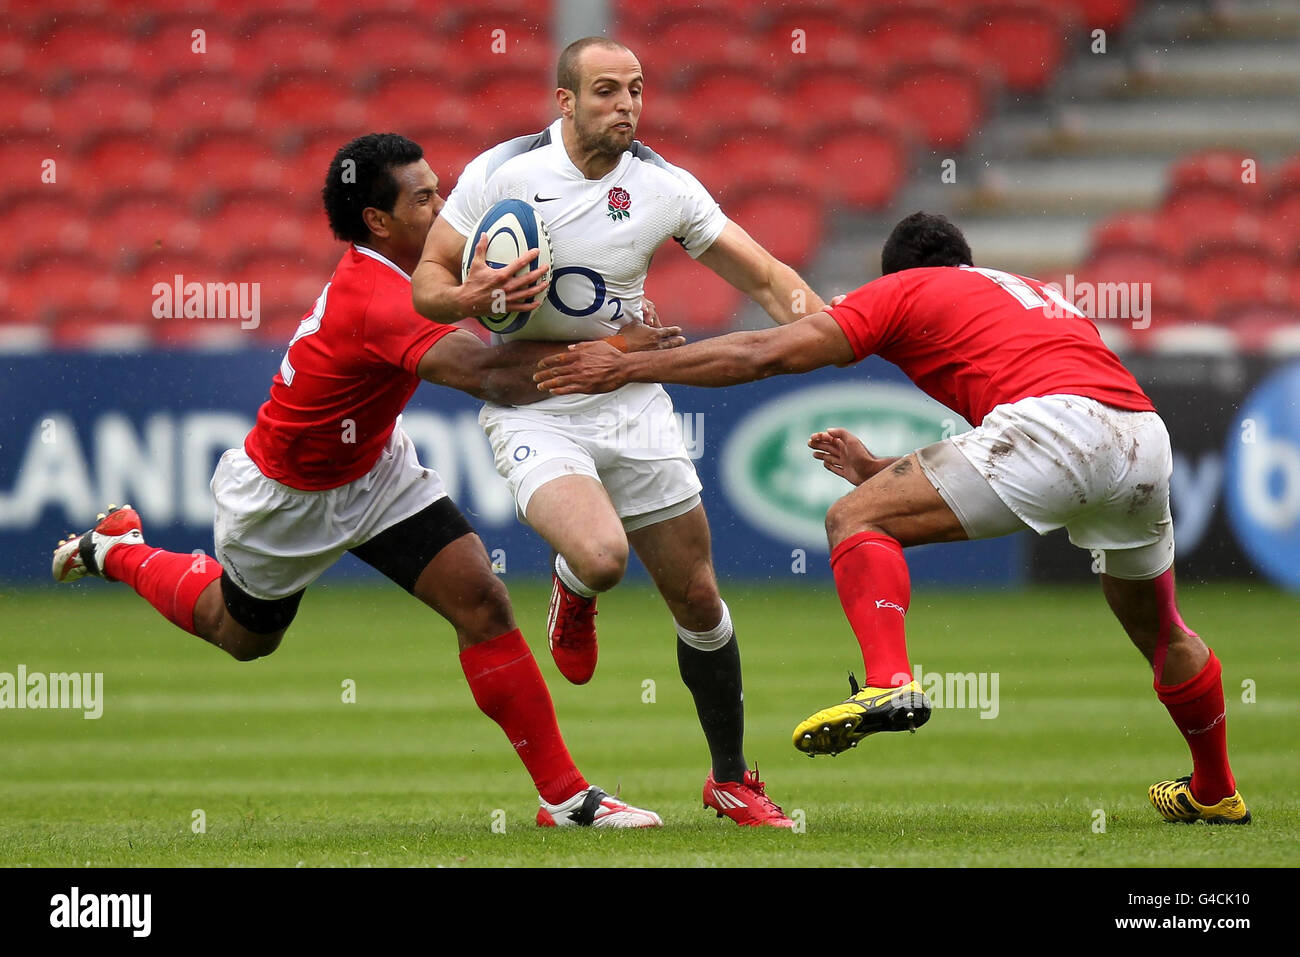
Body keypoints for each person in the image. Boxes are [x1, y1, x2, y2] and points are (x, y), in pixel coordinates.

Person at [534, 211, 1249, 825]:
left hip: (1055, 429)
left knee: (853, 520)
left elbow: (767, 351)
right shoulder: (1029, 292)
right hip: (1141, 436)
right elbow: (1025, 404)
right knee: (1163, 628)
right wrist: (887, 474)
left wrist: (628, 368)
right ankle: (1215, 788)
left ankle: (890, 678)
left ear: (897, 271)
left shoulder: (906, 288)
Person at [51, 132, 680, 828]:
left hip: (376, 467)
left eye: (439, 188)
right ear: (378, 221)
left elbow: (495, 337)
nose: (444, 205)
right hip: (286, 496)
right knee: (238, 634)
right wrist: (615, 348)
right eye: (424, 198)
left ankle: (564, 798)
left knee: (483, 602)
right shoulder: (379, 296)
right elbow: (489, 376)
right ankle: (116, 549)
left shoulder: (426, 272)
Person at [411, 37, 826, 828]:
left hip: (631, 395)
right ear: (563, 101)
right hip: (535, 400)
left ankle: (731, 778)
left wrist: (840, 334)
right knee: (603, 556)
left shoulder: (664, 187)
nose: (626, 105)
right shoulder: (505, 173)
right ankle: (575, 585)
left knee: (699, 598)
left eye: (635, 89)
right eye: (605, 91)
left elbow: (767, 277)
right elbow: (428, 282)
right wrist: (473, 292)